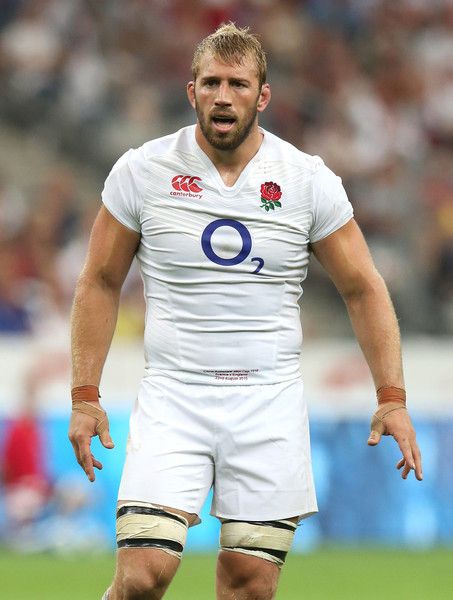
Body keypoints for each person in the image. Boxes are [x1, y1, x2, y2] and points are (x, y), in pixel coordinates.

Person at [68, 23, 423, 600]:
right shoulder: (142, 171)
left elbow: (364, 288)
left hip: (267, 401)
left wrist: (392, 398)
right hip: (174, 396)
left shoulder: (307, 180)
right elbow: (100, 280)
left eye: (237, 83)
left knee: (249, 588)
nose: (222, 96)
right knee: (140, 578)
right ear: (192, 92)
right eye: (211, 83)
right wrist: (85, 396)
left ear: (263, 96)